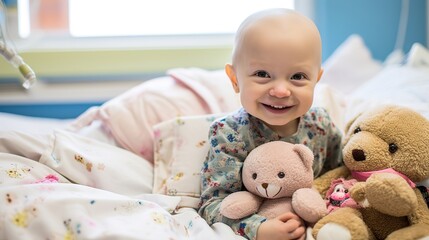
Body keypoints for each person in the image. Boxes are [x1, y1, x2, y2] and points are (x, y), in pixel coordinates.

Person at [198, 8, 343, 240]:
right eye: (262, 73)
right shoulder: (228, 133)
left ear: (316, 80)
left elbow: (342, 175)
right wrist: (260, 228)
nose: (280, 91)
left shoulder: (320, 125)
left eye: (298, 77)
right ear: (235, 80)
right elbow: (213, 205)